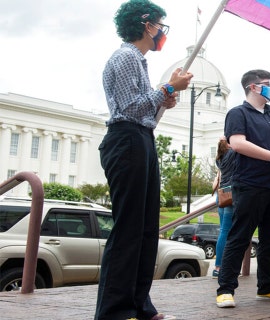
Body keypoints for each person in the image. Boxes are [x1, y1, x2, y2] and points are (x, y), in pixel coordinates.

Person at [96, 1, 193, 319]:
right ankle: (115, 310)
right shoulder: (125, 57)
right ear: (146, 24)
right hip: (126, 140)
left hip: (141, 140)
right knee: (129, 227)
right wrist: (167, 87)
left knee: (147, 228)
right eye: (160, 25)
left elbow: (144, 108)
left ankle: (139, 302)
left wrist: (164, 97)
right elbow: (131, 107)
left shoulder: (138, 60)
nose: (162, 32)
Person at [216, 69, 270, 308]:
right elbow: (237, 143)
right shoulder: (238, 113)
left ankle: (267, 286)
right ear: (253, 87)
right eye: (267, 84)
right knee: (240, 235)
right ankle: (225, 289)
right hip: (251, 183)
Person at [211, 137, 237, 278]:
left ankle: (218, 267)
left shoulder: (220, 157)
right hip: (230, 195)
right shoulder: (232, 153)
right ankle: (220, 267)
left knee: (223, 231)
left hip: (221, 196)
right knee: (227, 232)